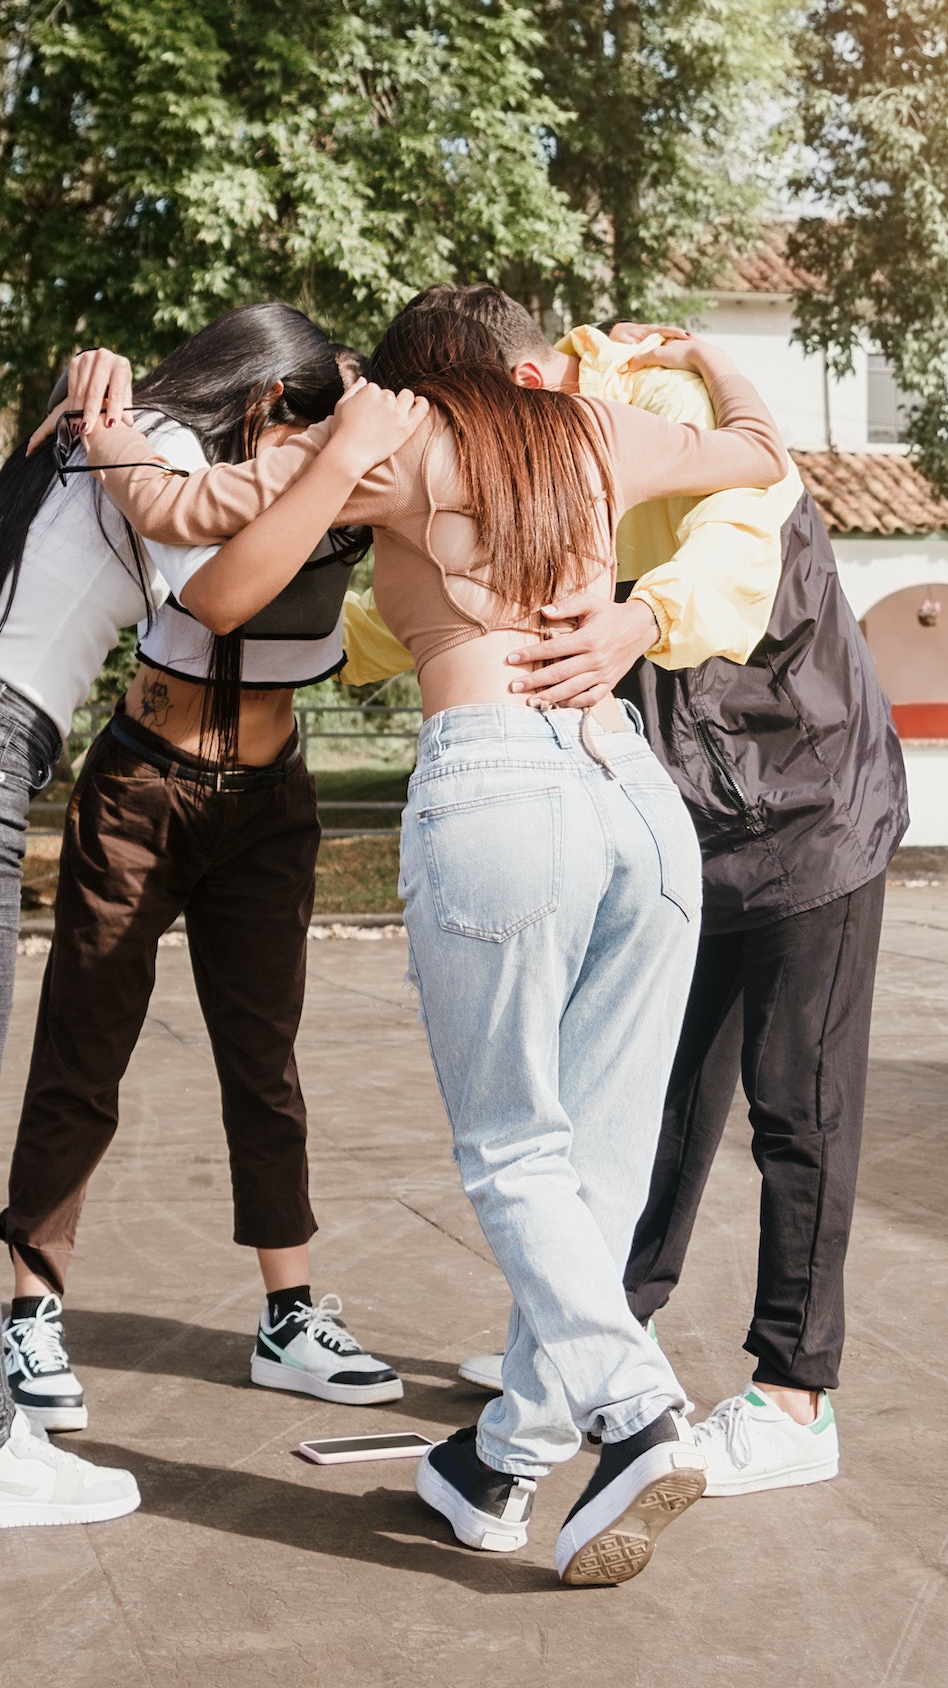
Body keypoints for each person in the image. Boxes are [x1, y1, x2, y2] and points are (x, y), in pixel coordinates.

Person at [50, 306, 788, 1586]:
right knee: (594, 1163)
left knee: (512, 1144)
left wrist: (111, 436)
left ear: (401, 375)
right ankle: (502, 1455)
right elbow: (757, 453)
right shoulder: (595, 429)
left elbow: (196, 537)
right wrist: (704, 358)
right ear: (512, 359)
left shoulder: (391, 435)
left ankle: (634, 1410)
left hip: (502, 779)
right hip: (636, 796)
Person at [0, 304, 416, 1530]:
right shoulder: (156, 445)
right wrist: (348, 442)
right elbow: (233, 585)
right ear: (263, 403)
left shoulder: (108, 422)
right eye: (295, 422)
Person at [417, 289, 907, 1498]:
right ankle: (593, 1338)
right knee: (642, 1108)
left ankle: (794, 1395)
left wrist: (640, 614)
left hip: (808, 801)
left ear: (521, 391)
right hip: (678, 820)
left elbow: (743, 534)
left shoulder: (653, 396)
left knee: (796, 1104)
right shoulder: (521, 441)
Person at [0, 310, 423, 1428]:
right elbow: (206, 584)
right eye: (319, 405)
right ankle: (27, 1310)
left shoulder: (353, 473)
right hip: (145, 786)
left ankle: (289, 1315)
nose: (341, 426)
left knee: (264, 1060)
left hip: (271, 801)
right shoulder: (178, 457)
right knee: (85, 1041)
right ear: (265, 398)